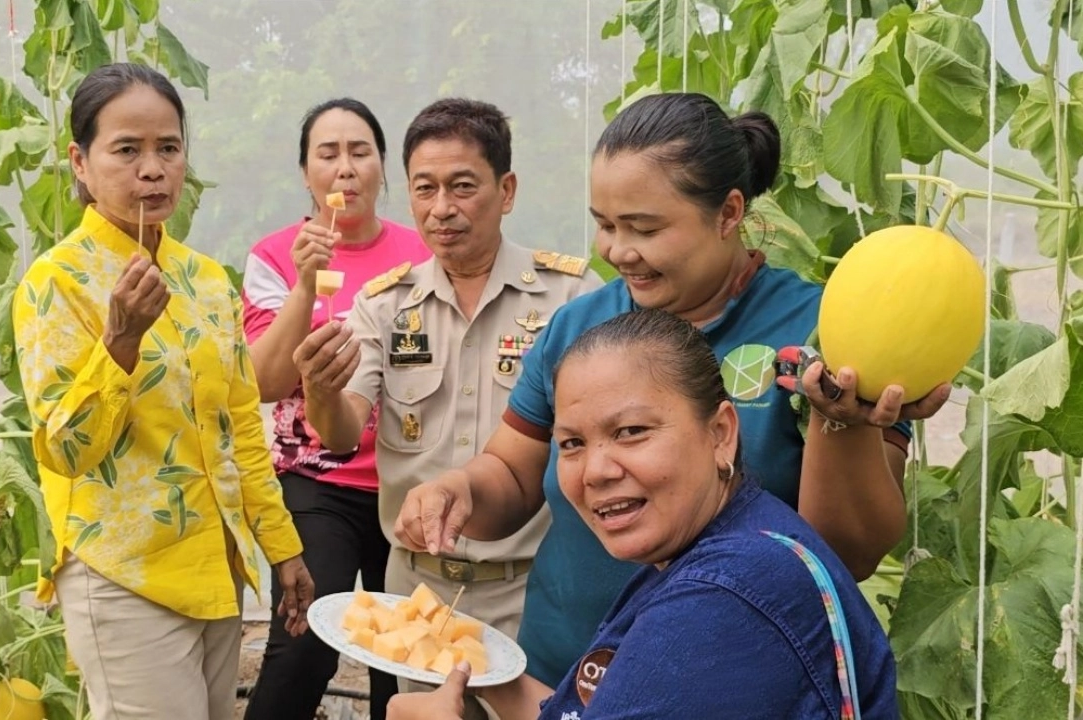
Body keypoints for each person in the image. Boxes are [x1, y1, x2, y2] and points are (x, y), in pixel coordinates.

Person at [394, 92, 949, 687]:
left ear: (729, 213)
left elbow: (847, 556)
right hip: (554, 677)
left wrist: (841, 423)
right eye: (605, 225)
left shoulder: (825, 334)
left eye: (645, 228)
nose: (616, 251)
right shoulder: (579, 325)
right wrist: (459, 492)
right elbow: (513, 472)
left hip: (722, 681)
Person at [387, 308, 900, 719]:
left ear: (721, 433)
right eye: (570, 443)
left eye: (631, 432)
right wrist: (487, 670)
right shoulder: (714, 546)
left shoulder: (722, 598)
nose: (595, 471)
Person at [12, 62, 314, 720]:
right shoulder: (55, 282)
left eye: (169, 148)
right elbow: (65, 451)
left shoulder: (204, 280)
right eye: (127, 150)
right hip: (123, 577)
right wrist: (119, 342)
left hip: (217, 573)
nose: (153, 169)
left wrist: (281, 546)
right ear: (80, 163)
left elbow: (240, 430)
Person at [292, 97, 602, 719]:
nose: (442, 209)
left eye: (463, 187)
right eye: (425, 189)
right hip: (419, 594)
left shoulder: (572, 297)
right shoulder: (386, 304)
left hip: (533, 586)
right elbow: (344, 431)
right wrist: (320, 391)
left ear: (506, 189)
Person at [240, 98, 431, 720]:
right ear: (305, 172)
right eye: (328, 153)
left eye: (360, 152)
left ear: (383, 169)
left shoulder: (423, 256)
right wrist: (305, 283)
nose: (345, 168)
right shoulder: (274, 256)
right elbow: (265, 383)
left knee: (400, 660)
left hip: (408, 482)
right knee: (303, 650)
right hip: (315, 481)